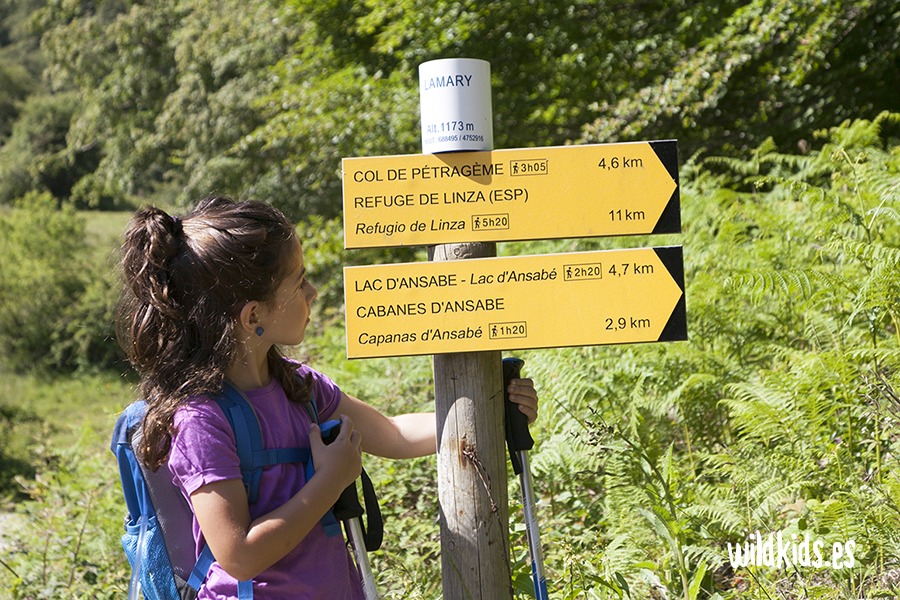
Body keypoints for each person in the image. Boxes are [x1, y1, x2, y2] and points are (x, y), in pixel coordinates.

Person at [116, 195, 539, 599]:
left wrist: (490, 409)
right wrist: (331, 480)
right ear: (253, 314)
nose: (313, 292)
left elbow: (393, 434)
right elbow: (240, 555)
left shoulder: (300, 388)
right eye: (298, 281)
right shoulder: (200, 419)